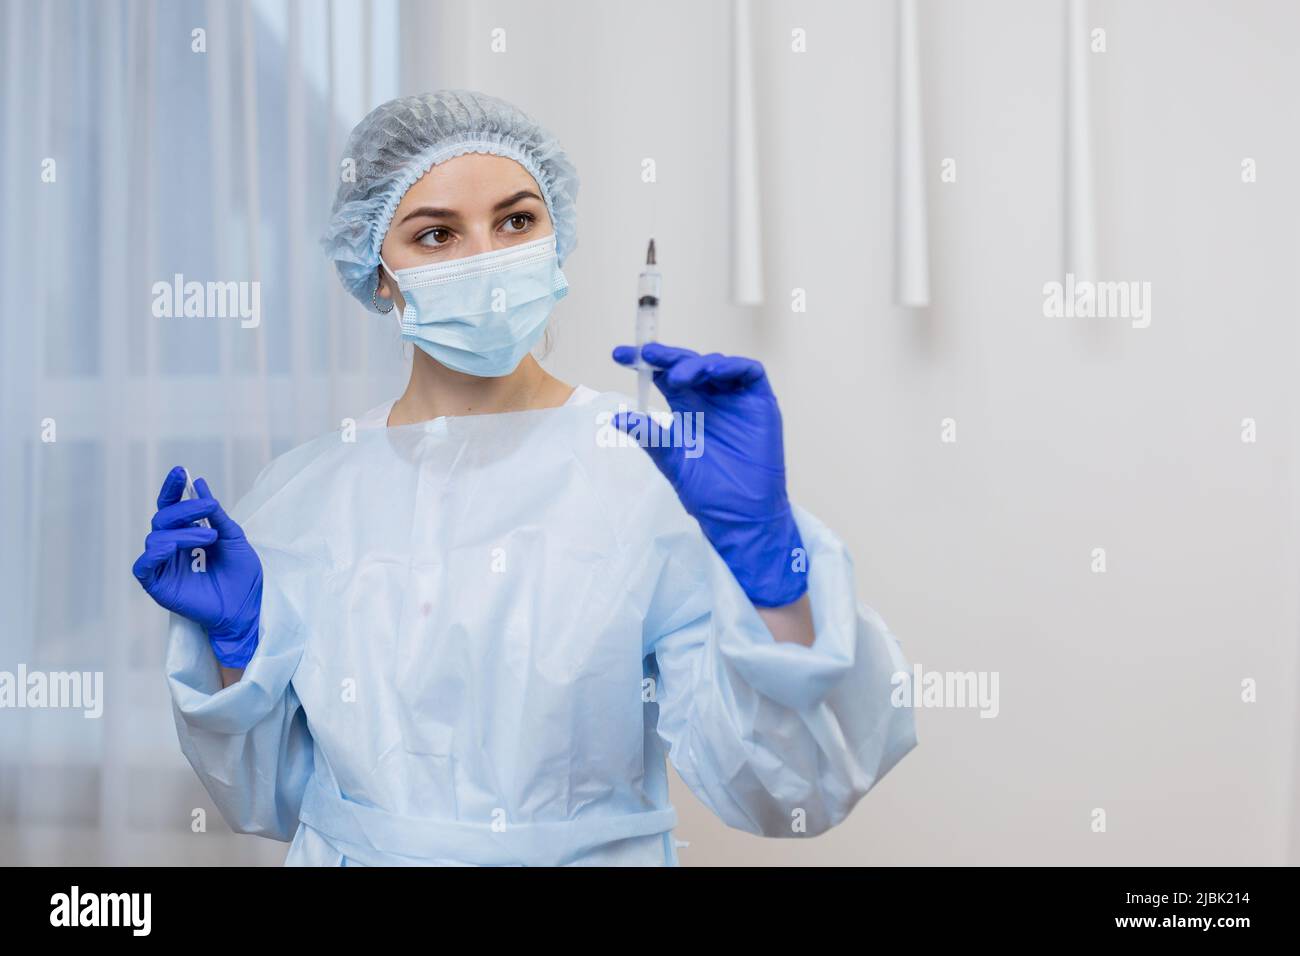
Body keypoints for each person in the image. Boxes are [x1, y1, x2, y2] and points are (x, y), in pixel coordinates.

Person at [132, 90, 916, 866]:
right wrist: (238, 653)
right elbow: (268, 799)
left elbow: (791, 791)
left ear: (555, 238)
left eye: (515, 221)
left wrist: (770, 556)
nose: (489, 261)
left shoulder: (646, 470)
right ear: (377, 274)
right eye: (436, 235)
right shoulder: (303, 495)